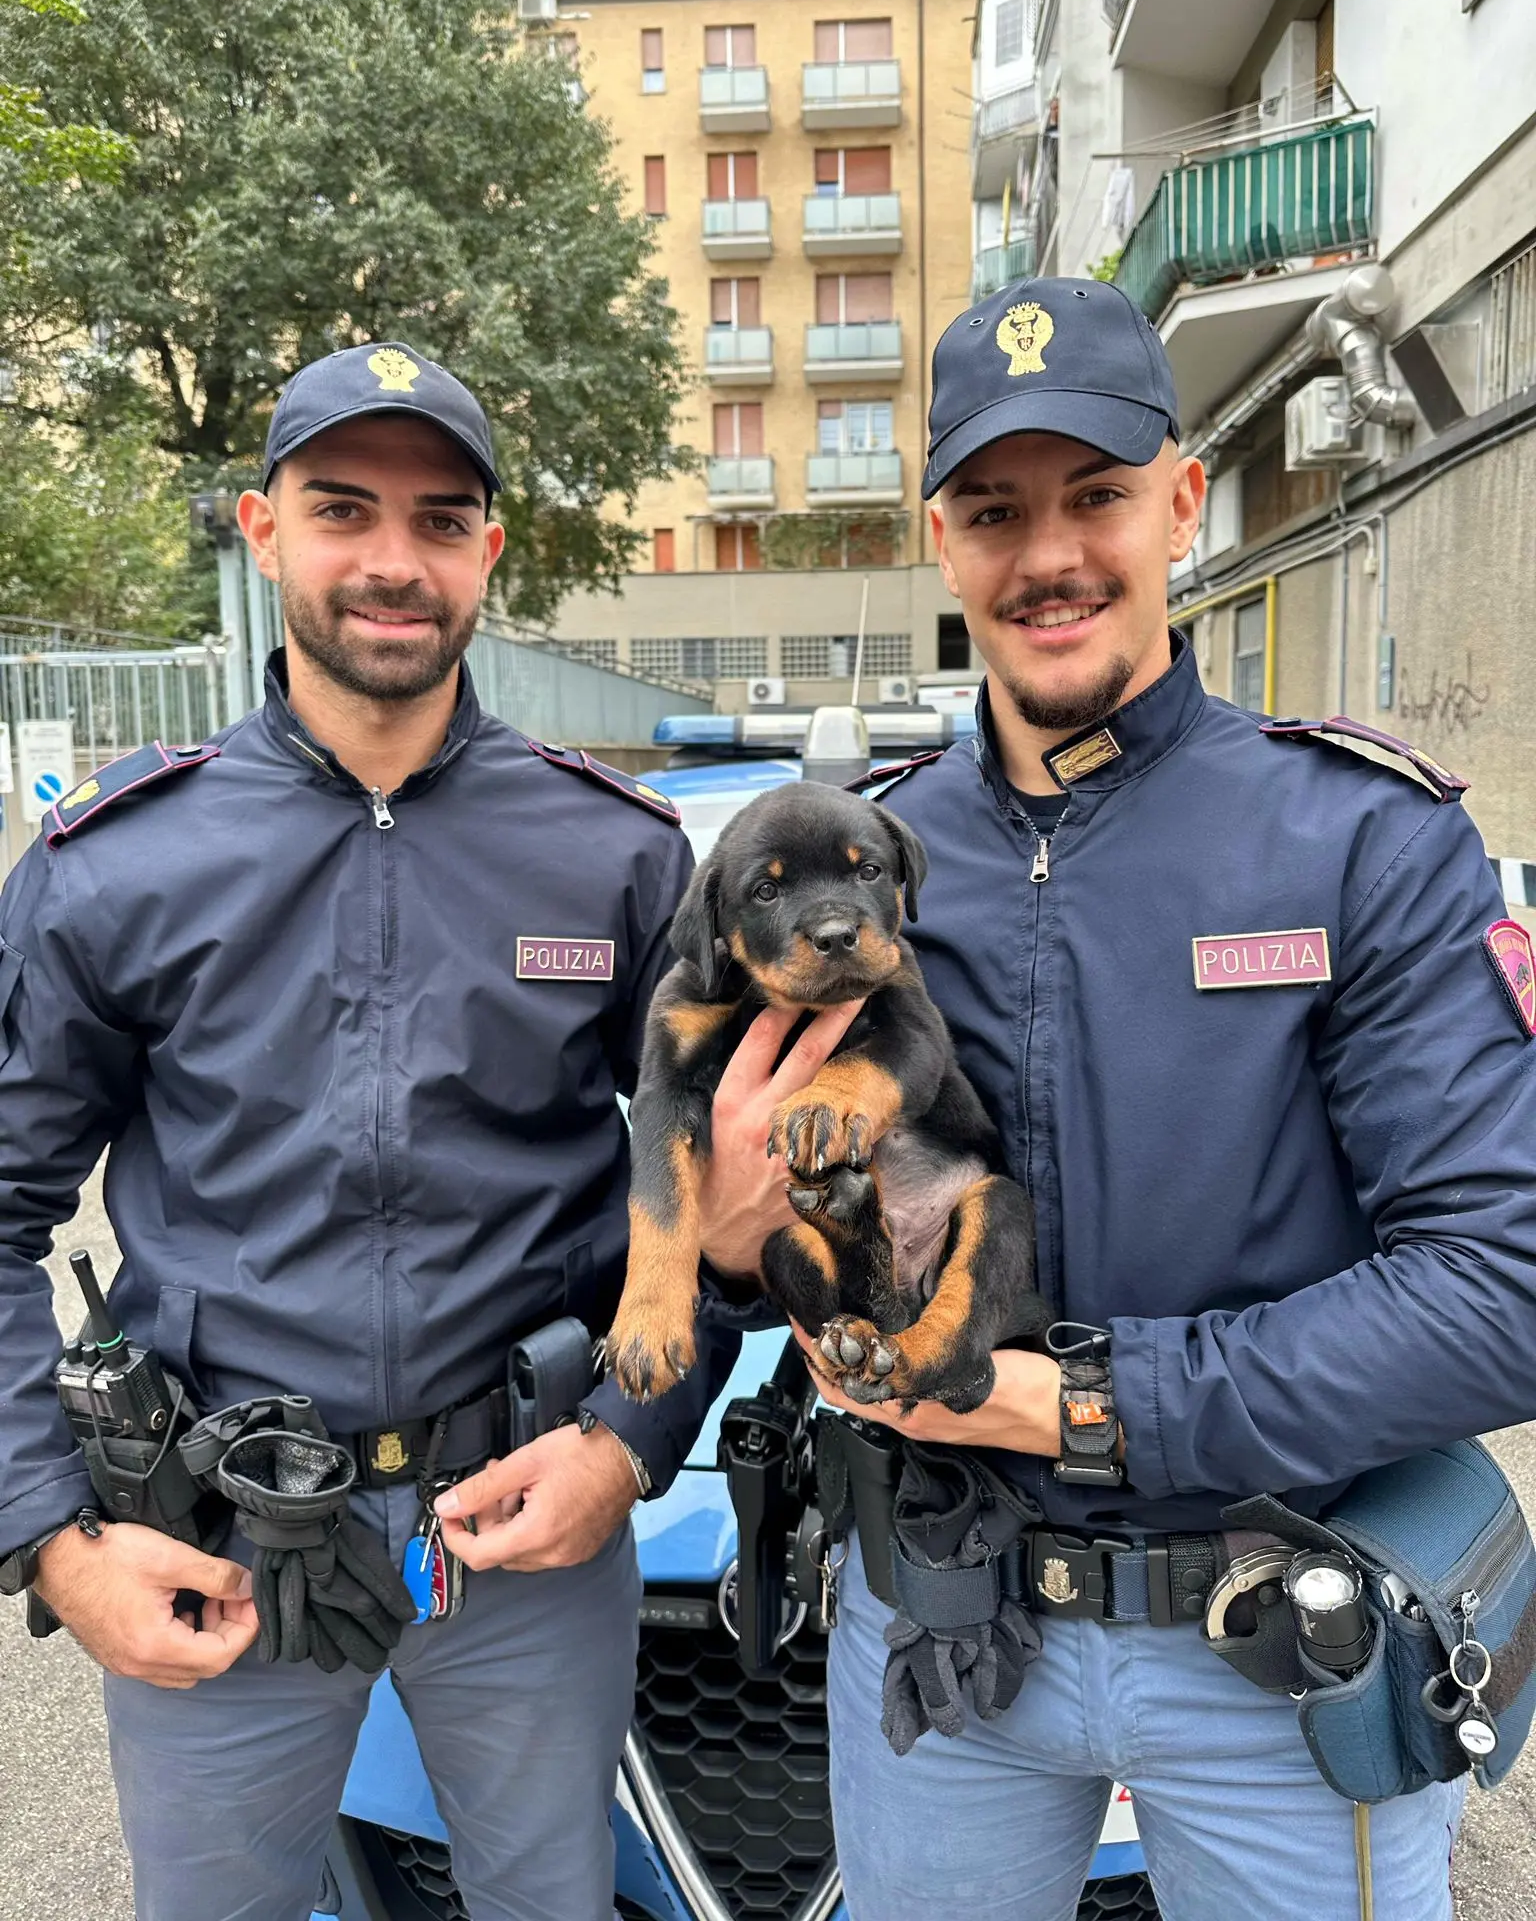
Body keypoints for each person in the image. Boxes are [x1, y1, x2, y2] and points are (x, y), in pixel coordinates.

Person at [696, 276, 1536, 1920]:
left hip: (1277, 1648)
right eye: (995, 509)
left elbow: (1501, 1291)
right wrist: (733, 1247)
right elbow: (743, 1235)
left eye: (1095, 495)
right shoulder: (848, 868)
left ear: (1182, 502)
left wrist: (1076, 1405)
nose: (1050, 554)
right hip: (940, 1625)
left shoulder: (1359, 840)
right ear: (940, 540)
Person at [0, 341, 847, 1921]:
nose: (393, 560)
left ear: (489, 554)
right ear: (261, 529)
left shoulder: (608, 858)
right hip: (222, 1537)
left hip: (528, 1537)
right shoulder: (119, 865)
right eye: (342, 509)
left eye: (441, 519)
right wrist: (51, 1540)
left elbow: (728, 1175)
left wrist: (631, 1445)